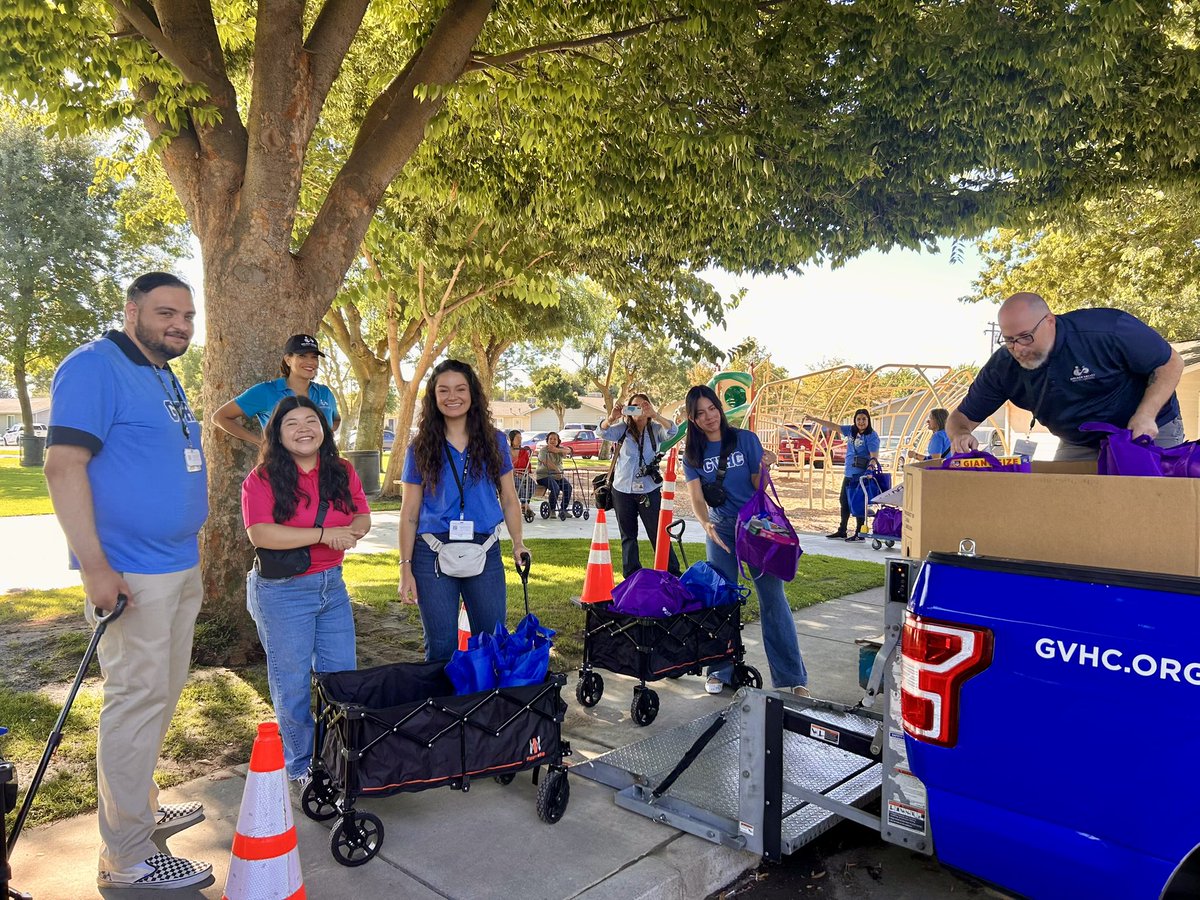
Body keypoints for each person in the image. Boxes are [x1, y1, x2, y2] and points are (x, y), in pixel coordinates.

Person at [43, 272, 212, 889]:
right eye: (167, 312)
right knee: (134, 704)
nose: (180, 326)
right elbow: (64, 469)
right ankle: (127, 860)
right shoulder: (93, 367)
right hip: (131, 575)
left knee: (159, 697)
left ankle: (139, 810)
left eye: (188, 316)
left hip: (176, 565)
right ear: (132, 309)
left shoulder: (163, 373)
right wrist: (95, 569)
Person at [241, 396, 371, 785]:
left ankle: (336, 757)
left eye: (311, 420)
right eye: (292, 423)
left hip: (332, 587)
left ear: (324, 427)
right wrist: (323, 534)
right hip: (282, 593)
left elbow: (362, 514)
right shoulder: (261, 479)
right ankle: (301, 765)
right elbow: (260, 534)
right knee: (292, 683)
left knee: (341, 678)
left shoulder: (342, 470)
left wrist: (354, 531)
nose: (303, 429)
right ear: (277, 434)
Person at [398, 360, 531, 661]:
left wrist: (518, 542)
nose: (452, 396)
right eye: (443, 390)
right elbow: (408, 513)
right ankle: (442, 707)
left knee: (491, 641)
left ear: (472, 394)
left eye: (460, 389)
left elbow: (509, 498)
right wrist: (405, 566)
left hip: (485, 549)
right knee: (441, 647)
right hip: (431, 554)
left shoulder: (495, 441)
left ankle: (488, 705)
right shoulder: (419, 448)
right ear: (433, 397)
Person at [948, 293, 1184, 460]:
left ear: (1050, 321)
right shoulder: (1002, 367)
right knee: (1065, 507)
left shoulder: (1107, 329)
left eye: (1025, 336)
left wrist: (1146, 414)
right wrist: (960, 434)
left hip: (1146, 431)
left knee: (1148, 508)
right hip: (1079, 441)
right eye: (1009, 340)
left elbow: (1171, 363)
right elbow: (961, 417)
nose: (1018, 348)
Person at [682, 386, 809, 697]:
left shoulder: (745, 439)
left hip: (756, 527)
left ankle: (792, 677)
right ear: (693, 419)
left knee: (773, 600)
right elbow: (697, 497)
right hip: (722, 529)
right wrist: (705, 524)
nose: (709, 417)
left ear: (719, 408)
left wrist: (766, 464)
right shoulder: (693, 454)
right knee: (721, 599)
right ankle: (719, 670)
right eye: (700, 413)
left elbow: (756, 485)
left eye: (712, 408)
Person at [599, 394, 682, 576]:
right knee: (628, 535)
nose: (638, 409)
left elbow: (673, 431)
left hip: (649, 489)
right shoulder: (622, 428)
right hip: (622, 489)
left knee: (658, 533)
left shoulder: (655, 429)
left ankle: (672, 573)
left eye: (643, 405)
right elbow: (602, 432)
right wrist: (612, 417)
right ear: (628, 409)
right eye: (633, 406)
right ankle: (631, 575)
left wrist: (656, 415)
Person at [211, 333, 340, 445]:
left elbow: (336, 420)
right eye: (302, 356)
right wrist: (261, 443)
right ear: (288, 360)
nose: (310, 362)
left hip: (323, 467)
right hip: (281, 468)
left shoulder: (325, 393)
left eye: (314, 357)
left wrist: (323, 440)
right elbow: (220, 417)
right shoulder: (266, 391)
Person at [809, 409, 879, 542]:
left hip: (861, 475)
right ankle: (842, 530)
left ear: (868, 420)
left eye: (864, 419)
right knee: (844, 501)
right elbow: (834, 426)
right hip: (849, 473)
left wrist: (870, 468)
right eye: (858, 419)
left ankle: (860, 533)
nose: (861, 422)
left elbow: (874, 457)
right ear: (855, 420)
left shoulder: (871, 436)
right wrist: (815, 419)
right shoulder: (851, 431)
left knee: (858, 503)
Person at [536, 431, 573, 519]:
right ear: (547, 441)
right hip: (543, 476)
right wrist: (557, 470)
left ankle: (563, 509)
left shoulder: (559, 449)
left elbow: (569, 450)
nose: (552, 441)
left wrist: (558, 450)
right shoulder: (543, 450)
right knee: (555, 488)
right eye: (550, 439)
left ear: (558, 441)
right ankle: (552, 509)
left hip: (557, 476)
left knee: (568, 488)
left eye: (555, 439)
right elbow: (547, 462)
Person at [508, 429, 534, 519]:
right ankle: (525, 505)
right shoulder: (506, 451)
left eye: (521, 438)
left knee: (531, 484)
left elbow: (528, 466)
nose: (520, 440)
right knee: (518, 483)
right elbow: (503, 466)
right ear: (511, 439)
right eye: (517, 438)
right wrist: (514, 473)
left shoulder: (523, 451)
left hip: (522, 474)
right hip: (509, 476)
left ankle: (524, 504)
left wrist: (524, 474)